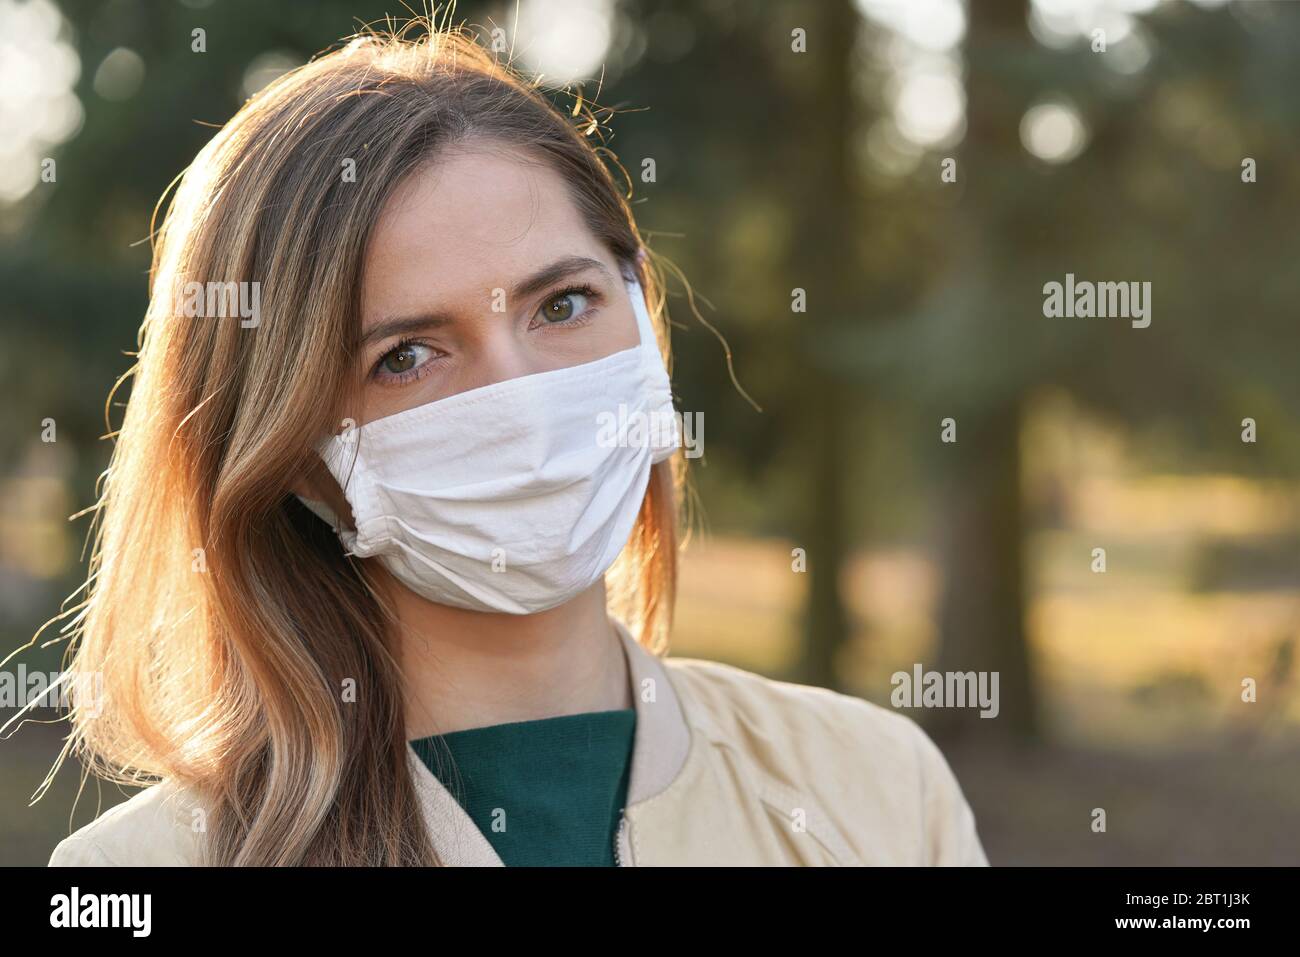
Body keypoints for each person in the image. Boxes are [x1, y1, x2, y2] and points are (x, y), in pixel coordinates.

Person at [43, 25, 987, 867]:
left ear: (641, 308)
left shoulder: (876, 790)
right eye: (407, 355)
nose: (524, 401)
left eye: (563, 304)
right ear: (291, 454)